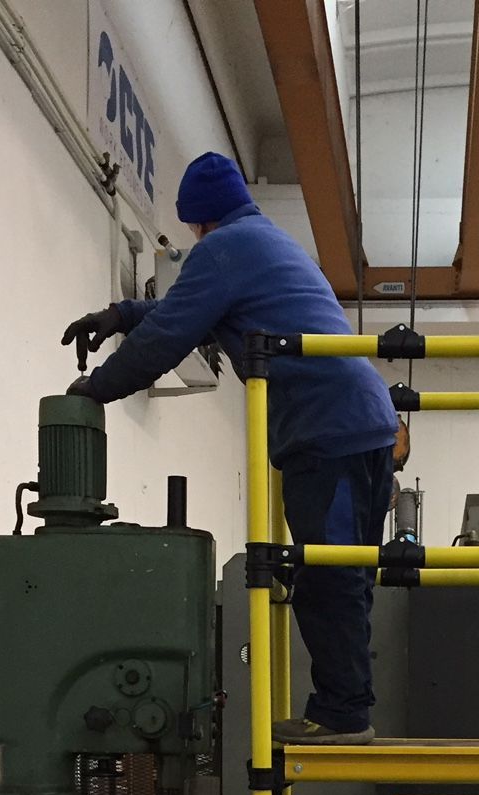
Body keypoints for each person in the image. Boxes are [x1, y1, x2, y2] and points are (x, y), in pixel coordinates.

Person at [62, 152, 398, 746]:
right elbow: (179, 310)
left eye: (192, 227)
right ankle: (344, 704)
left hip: (328, 429)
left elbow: (170, 335)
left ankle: (345, 714)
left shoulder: (221, 250)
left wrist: (96, 389)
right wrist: (120, 314)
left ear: (199, 221)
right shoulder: (261, 241)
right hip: (359, 423)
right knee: (342, 574)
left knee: (330, 575)